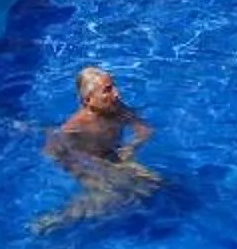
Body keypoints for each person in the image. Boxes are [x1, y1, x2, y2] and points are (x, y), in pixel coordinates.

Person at [38, 65, 160, 228]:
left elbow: (145, 130)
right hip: (90, 164)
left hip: (114, 157)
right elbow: (51, 150)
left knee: (154, 184)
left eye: (114, 86)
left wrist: (131, 147)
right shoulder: (76, 125)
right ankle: (56, 220)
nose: (117, 93)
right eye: (107, 90)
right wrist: (80, 166)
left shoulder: (118, 109)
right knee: (114, 197)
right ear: (89, 100)